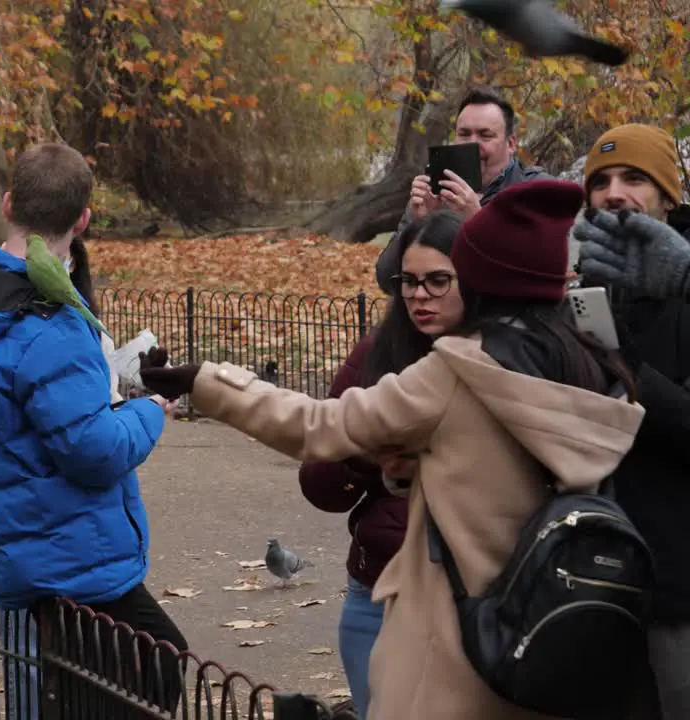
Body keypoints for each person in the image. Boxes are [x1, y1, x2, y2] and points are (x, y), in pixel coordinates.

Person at [142, 179, 645, 720]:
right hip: (551, 638)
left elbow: (319, 426)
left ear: (482, 280)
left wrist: (206, 381)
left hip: (457, 657)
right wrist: (416, 471)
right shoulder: (594, 369)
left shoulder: (458, 373)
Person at [0, 142, 187, 717]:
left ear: (8, 203)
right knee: (148, 669)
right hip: (71, 554)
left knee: (59, 687)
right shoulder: (48, 323)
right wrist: (148, 413)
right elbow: (91, 450)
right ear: (83, 219)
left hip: (17, 542)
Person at [298, 210, 465, 719]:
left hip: (471, 601)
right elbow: (318, 480)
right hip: (376, 591)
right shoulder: (377, 353)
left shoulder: (502, 359)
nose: (419, 295)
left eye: (437, 280)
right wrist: (367, 459)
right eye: (409, 282)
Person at [571, 123, 690, 718]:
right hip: (590, 588)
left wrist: (630, 368)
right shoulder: (579, 295)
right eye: (602, 182)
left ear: (669, 196)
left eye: (635, 178)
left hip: (678, 598)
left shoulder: (685, 289)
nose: (615, 193)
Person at [375, 87, 549, 293]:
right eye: (464, 134)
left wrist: (478, 222)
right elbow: (387, 279)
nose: (473, 144)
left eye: (485, 135)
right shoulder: (435, 191)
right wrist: (419, 223)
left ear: (510, 144)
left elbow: (540, 279)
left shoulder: (538, 191)